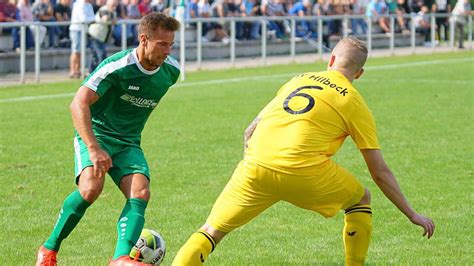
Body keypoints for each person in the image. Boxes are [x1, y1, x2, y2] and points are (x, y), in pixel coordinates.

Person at [172, 37, 435, 266]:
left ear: (331, 59)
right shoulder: (354, 101)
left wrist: (257, 162)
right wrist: (412, 214)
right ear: (360, 73)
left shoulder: (297, 79)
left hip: (255, 167)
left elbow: (250, 130)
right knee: (360, 199)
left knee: (211, 231)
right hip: (304, 172)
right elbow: (378, 171)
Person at [35, 12, 181, 266]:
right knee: (91, 188)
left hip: (128, 142)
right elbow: (78, 103)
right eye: (162, 44)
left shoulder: (171, 72)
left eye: (171, 44)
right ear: (144, 39)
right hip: (97, 134)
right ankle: (48, 250)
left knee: (141, 192)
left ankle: (120, 259)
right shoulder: (117, 66)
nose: (168, 51)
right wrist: (93, 148)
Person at [88, 0, 118, 73]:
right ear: (108, 4)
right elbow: (105, 19)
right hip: (95, 35)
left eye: (115, 4)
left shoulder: (113, 12)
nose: (114, 6)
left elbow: (115, 22)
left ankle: (91, 72)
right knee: (101, 54)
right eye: (113, 4)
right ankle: (101, 73)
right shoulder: (104, 9)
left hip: (102, 37)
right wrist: (112, 20)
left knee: (95, 55)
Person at [68, 0, 95, 78]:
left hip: (84, 30)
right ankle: (72, 71)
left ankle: (78, 70)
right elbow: (83, 19)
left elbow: (90, 18)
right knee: (75, 51)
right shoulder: (79, 4)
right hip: (76, 29)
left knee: (80, 51)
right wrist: (93, 18)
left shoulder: (89, 5)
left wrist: (91, 18)